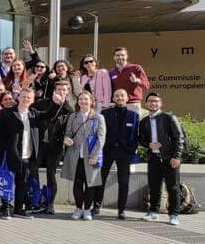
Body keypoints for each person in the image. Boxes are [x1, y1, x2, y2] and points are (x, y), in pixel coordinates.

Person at [138, 93, 186, 225]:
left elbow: (179, 138)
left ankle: (174, 215)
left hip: (169, 158)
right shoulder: (144, 121)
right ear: (146, 104)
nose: (153, 103)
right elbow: (141, 139)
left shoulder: (169, 118)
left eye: (156, 101)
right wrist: (148, 144)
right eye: (150, 101)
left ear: (161, 103)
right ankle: (153, 212)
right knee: (154, 186)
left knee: (173, 187)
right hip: (153, 158)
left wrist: (176, 157)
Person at [0, 88, 38, 219]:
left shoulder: (33, 113)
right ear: (18, 97)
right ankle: (6, 208)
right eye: (24, 97)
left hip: (27, 155)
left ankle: (18, 209)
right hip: (11, 154)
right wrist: (5, 148)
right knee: (8, 181)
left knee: (22, 183)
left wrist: (58, 102)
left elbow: (50, 114)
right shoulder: (7, 113)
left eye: (29, 97)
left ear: (32, 100)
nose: (26, 99)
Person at [31, 80, 75, 215]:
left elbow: (69, 130)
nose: (61, 92)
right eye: (58, 89)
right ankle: (34, 200)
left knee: (51, 174)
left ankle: (50, 204)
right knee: (32, 171)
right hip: (38, 144)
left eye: (64, 90)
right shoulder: (42, 103)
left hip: (54, 146)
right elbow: (32, 115)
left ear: (68, 92)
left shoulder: (69, 109)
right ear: (53, 91)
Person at [62, 91, 107, 221]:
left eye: (86, 99)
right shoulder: (73, 116)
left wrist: (94, 155)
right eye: (80, 99)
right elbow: (68, 133)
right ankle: (78, 208)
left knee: (90, 184)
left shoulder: (98, 118)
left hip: (91, 157)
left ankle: (87, 209)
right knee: (77, 183)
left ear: (91, 101)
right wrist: (67, 139)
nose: (83, 102)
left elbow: (101, 139)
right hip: (75, 156)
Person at [96, 89, 140, 219]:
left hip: (125, 153)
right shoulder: (105, 113)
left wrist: (131, 149)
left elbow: (136, 135)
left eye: (122, 95)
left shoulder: (134, 115)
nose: (119, 97)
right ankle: (97, 206)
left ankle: (121, 210)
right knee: (101, 180)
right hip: (107, 151)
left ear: (127, 98)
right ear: (113, 98)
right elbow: (100, 132)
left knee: (124, 182)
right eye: (117, 96)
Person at [109, 47, 150, 114]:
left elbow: (146, 85)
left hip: (132, 104)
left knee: (134, 124)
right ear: (114, 57)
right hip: (117, 105)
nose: (120, 57)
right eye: (117, 55)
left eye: (122, 55)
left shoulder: (136, 68)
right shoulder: (111, 72)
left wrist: (136, 80)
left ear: (127, 56)